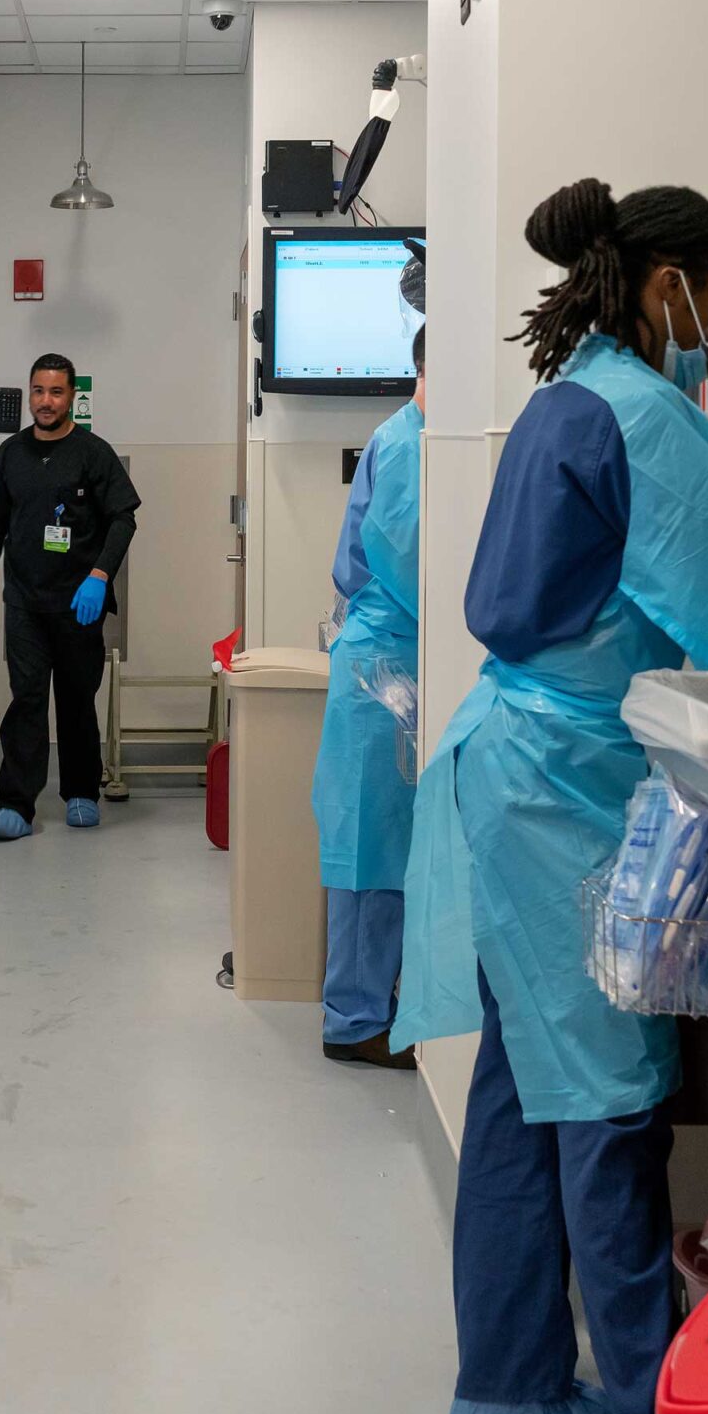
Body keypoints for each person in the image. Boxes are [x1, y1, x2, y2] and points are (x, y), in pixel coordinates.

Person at [393, 181, 708, 1414]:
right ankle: (646, 1396)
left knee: (525, 1101)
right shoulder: (647, 418)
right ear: (661, 284)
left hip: (520, 775)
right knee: (613, 1107)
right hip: (567, 798)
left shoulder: (565, 393)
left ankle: (512, 1388)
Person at [311, 325, 425, 1069]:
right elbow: (420, 570)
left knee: (388, 846)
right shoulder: (412, 448)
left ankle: (372, 1006)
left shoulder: (406, 437)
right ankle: (354, 1021)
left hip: (390, 655)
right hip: (386, 664)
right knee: (370, 852)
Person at [0, 353, 140, 842]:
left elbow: (124, 519)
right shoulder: (11, 453)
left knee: (75, 699)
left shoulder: (93, 452)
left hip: (77, 601)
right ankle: (16, 804)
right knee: (25, 700)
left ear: (72, 397)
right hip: (24, 601)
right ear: (30, 394)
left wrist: (100, 576)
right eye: (39, 392)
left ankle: (82, 792)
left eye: (56, 392)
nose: (46, 402)